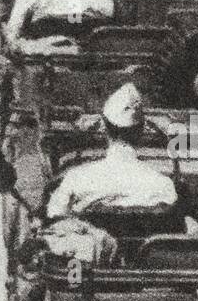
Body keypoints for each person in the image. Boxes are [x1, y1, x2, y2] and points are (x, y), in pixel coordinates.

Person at [45, 83, 178, 217]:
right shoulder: (164, 186)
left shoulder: (75, 179)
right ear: (141, 130)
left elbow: (53, 219)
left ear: (104, 127)